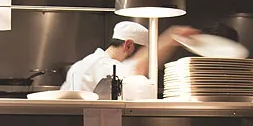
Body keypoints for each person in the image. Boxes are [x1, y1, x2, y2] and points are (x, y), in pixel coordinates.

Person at [61, 21, 198, 92]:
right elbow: (135, 69)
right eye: (145, 53)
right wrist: (171, 37)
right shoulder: (105, 66)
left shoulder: (79, 65)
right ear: (128, 45)